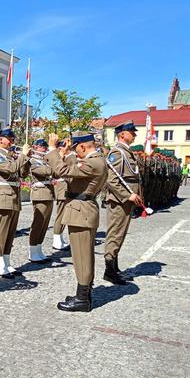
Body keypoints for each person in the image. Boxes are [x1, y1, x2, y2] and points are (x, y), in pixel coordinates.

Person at [44, 131, 108, 312]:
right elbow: (72, 171)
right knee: (83, 256)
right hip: (83, 211)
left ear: (82, 146)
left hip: (81, 212)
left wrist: (52, 149)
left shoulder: (94, 162)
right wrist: (64, 154)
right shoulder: (96, 160)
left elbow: (62, 171)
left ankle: (82, 300)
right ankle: (84, 293)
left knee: (82, 257)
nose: (77, 154)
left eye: (77, 150)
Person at [104, 121, 143, 285]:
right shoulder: (118, 153)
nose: (134, 135)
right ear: (122, 135)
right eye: (131, 133)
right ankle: (109, 271)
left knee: (120, 234)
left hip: (126, 200)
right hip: (119, 201)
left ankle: (115, 267)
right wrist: (127, 196)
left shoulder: (127, 152)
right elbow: (112, 180)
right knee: (115, 234)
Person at [0, 127, 30, 278]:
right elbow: (9, 170)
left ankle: (7, 263)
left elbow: (23, 174)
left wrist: (26, 160)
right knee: (2, 232)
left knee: (10, 232)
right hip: (4, 196)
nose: (13, 141)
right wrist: (22, 156)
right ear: (1, 140)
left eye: (13, 139)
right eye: (10, 139)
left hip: (14, 196)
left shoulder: (13, 156)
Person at [28, 139, 55, 263]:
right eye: (41, 146)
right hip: (40, 193)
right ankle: (33, 251)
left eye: (45, 146)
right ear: (35, 147)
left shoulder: (45, 160)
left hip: (48, 193)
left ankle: (39, 249)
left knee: (44, 224)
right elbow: (45, 172)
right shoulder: (33, 161)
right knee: (38, 223)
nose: (44, 148)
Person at [52, 141, 72, 251]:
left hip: (65, 187)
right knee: (60, 215)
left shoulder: (65, 157)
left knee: (63, 216)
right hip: (61, 188)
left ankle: (59, 238)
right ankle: (56, 239)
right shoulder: (59, 158)